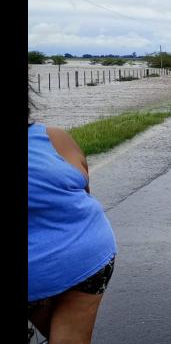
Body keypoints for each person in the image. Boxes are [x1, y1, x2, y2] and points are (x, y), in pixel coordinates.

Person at [28, 86, 118, 343]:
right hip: (89, 255)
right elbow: (84, 192)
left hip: (80, 264)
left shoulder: (55, 138)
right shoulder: (56, 138)